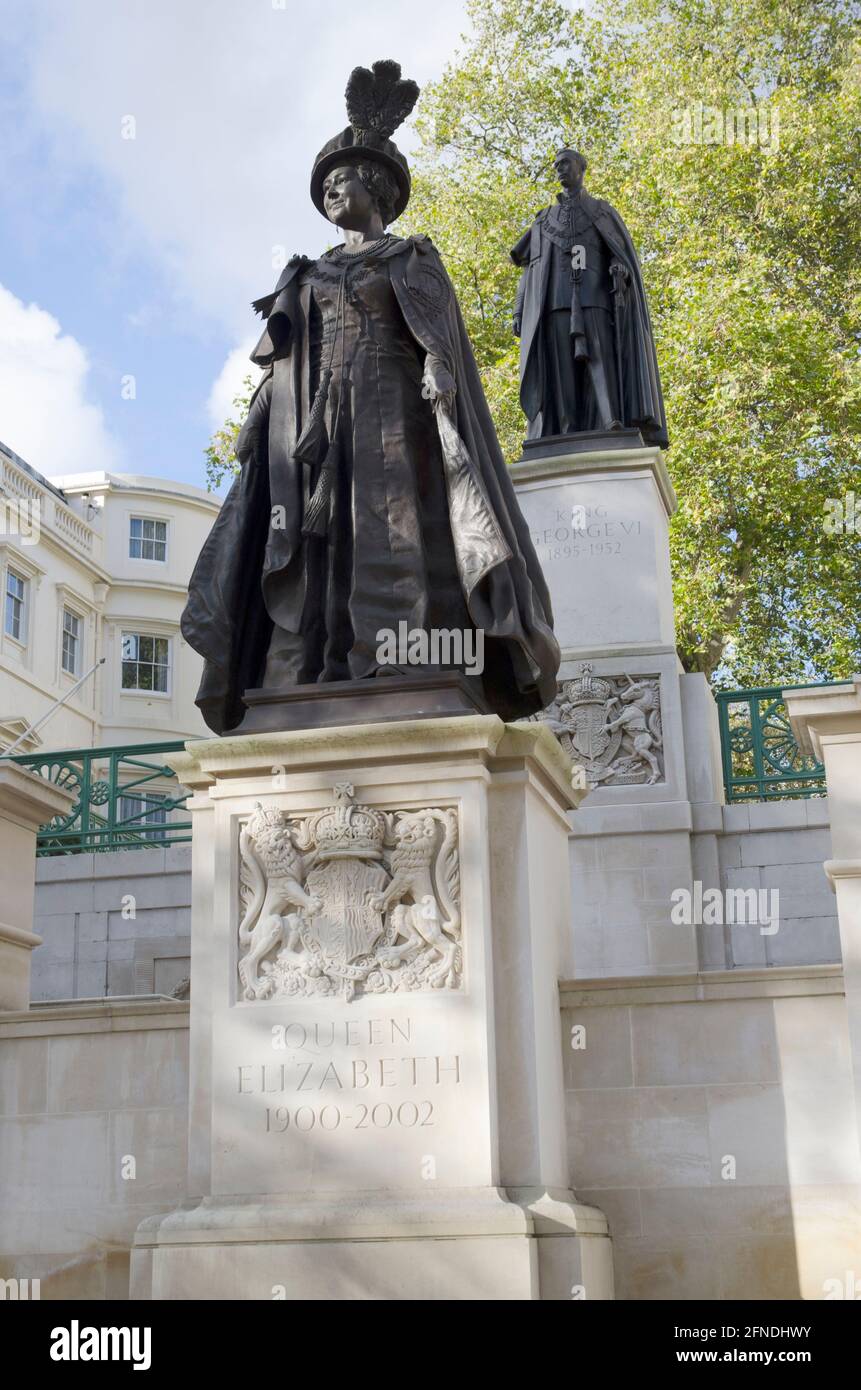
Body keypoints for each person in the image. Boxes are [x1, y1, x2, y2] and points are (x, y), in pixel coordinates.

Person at [182, 60, 559, 733]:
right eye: (324, 185)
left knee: (394, 531)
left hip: (394, 415)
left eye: (342, 180)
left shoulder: (410, 257)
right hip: (313, 431)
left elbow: (437, 337)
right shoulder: (306, 271)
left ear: (376, 186)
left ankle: (402, 662)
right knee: (309, 536)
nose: (332, 191)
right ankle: (304, 670)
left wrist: (439, 374)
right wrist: (258, 417)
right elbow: (281, 360)